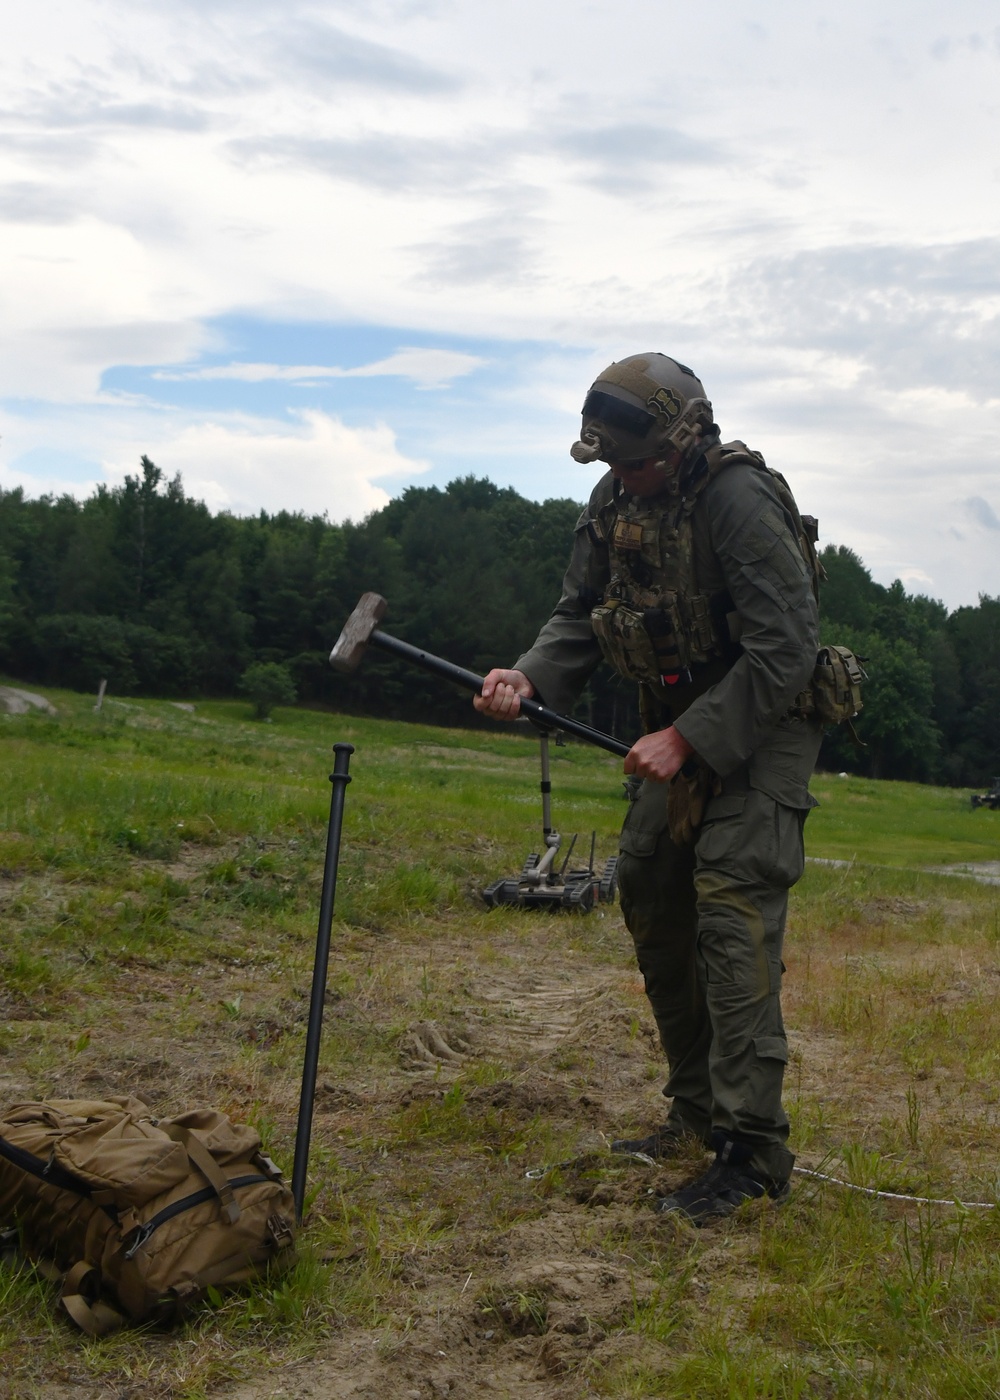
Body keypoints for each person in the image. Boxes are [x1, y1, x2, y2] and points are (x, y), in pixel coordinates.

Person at [474, 353, 823, 1224]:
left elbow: (787, 650)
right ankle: (696, 1112)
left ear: (684, 436)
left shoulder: (738, 501)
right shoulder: (615, 502)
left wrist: (692, 737)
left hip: (763, 725)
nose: (623, 479)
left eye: (636, 463)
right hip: (673, 728)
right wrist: (527, 679)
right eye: (611, 466)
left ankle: (752, 1153)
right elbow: (576, 616)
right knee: (652, 896)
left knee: (731, 914)